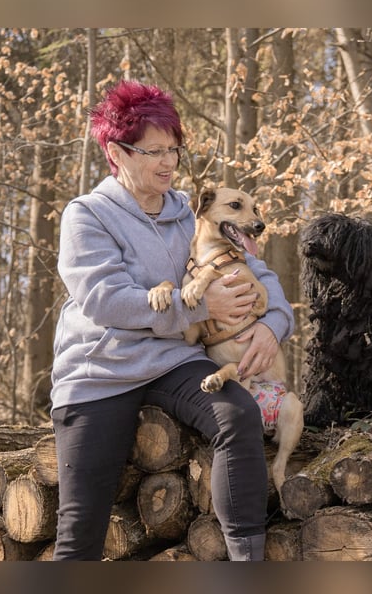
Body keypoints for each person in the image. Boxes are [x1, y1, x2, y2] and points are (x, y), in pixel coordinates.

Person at [50, 80, 294, 561]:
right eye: (152, 151)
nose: (167, 162)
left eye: (173, 150)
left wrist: (274, 324)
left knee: (237, 415)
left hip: (175, 361)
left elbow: (259, 271)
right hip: (100, 372)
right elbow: (107, 302)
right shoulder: (87, 216)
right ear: (116, 153)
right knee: (81, 527)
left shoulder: (192, 213)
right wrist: (203, 308)